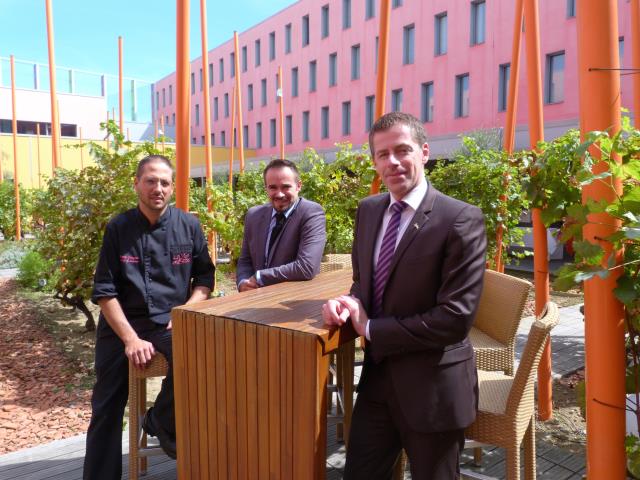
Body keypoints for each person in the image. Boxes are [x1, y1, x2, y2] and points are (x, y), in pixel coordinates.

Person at [322, 112, 487, 479]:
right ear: (374, 161)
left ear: (424, 152)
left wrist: (372, 329)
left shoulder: (460, 219)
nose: (392, 162)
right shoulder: (368, 210)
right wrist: (349, 304)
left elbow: (455, 319)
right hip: (378, 383)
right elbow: (364, 283)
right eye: (383, 154)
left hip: (433, 389)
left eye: (402, 150)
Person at [83, 155, 215, 480]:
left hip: (171, 322)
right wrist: (130, 339)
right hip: (121, 326)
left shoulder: (189, 225)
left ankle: (159, 421)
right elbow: (104, 291)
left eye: (164, 182)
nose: (158, 188)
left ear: (172, 188)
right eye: (151, 181)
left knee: (204, 362)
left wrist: (187, 309)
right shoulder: (118, 228)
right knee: (107, 407)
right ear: (137, 184)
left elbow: (205, 278)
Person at [236, 158, 326, 291]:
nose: (279, 194)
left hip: (293, 301)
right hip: (255, 299)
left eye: (286, 187)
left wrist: (260, 276)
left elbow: (306, 267)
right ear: (266, 188)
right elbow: (245, 260)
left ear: (298, 186)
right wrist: (243, 282)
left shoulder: (311, 213)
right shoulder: (253, 215)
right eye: (273, 187)